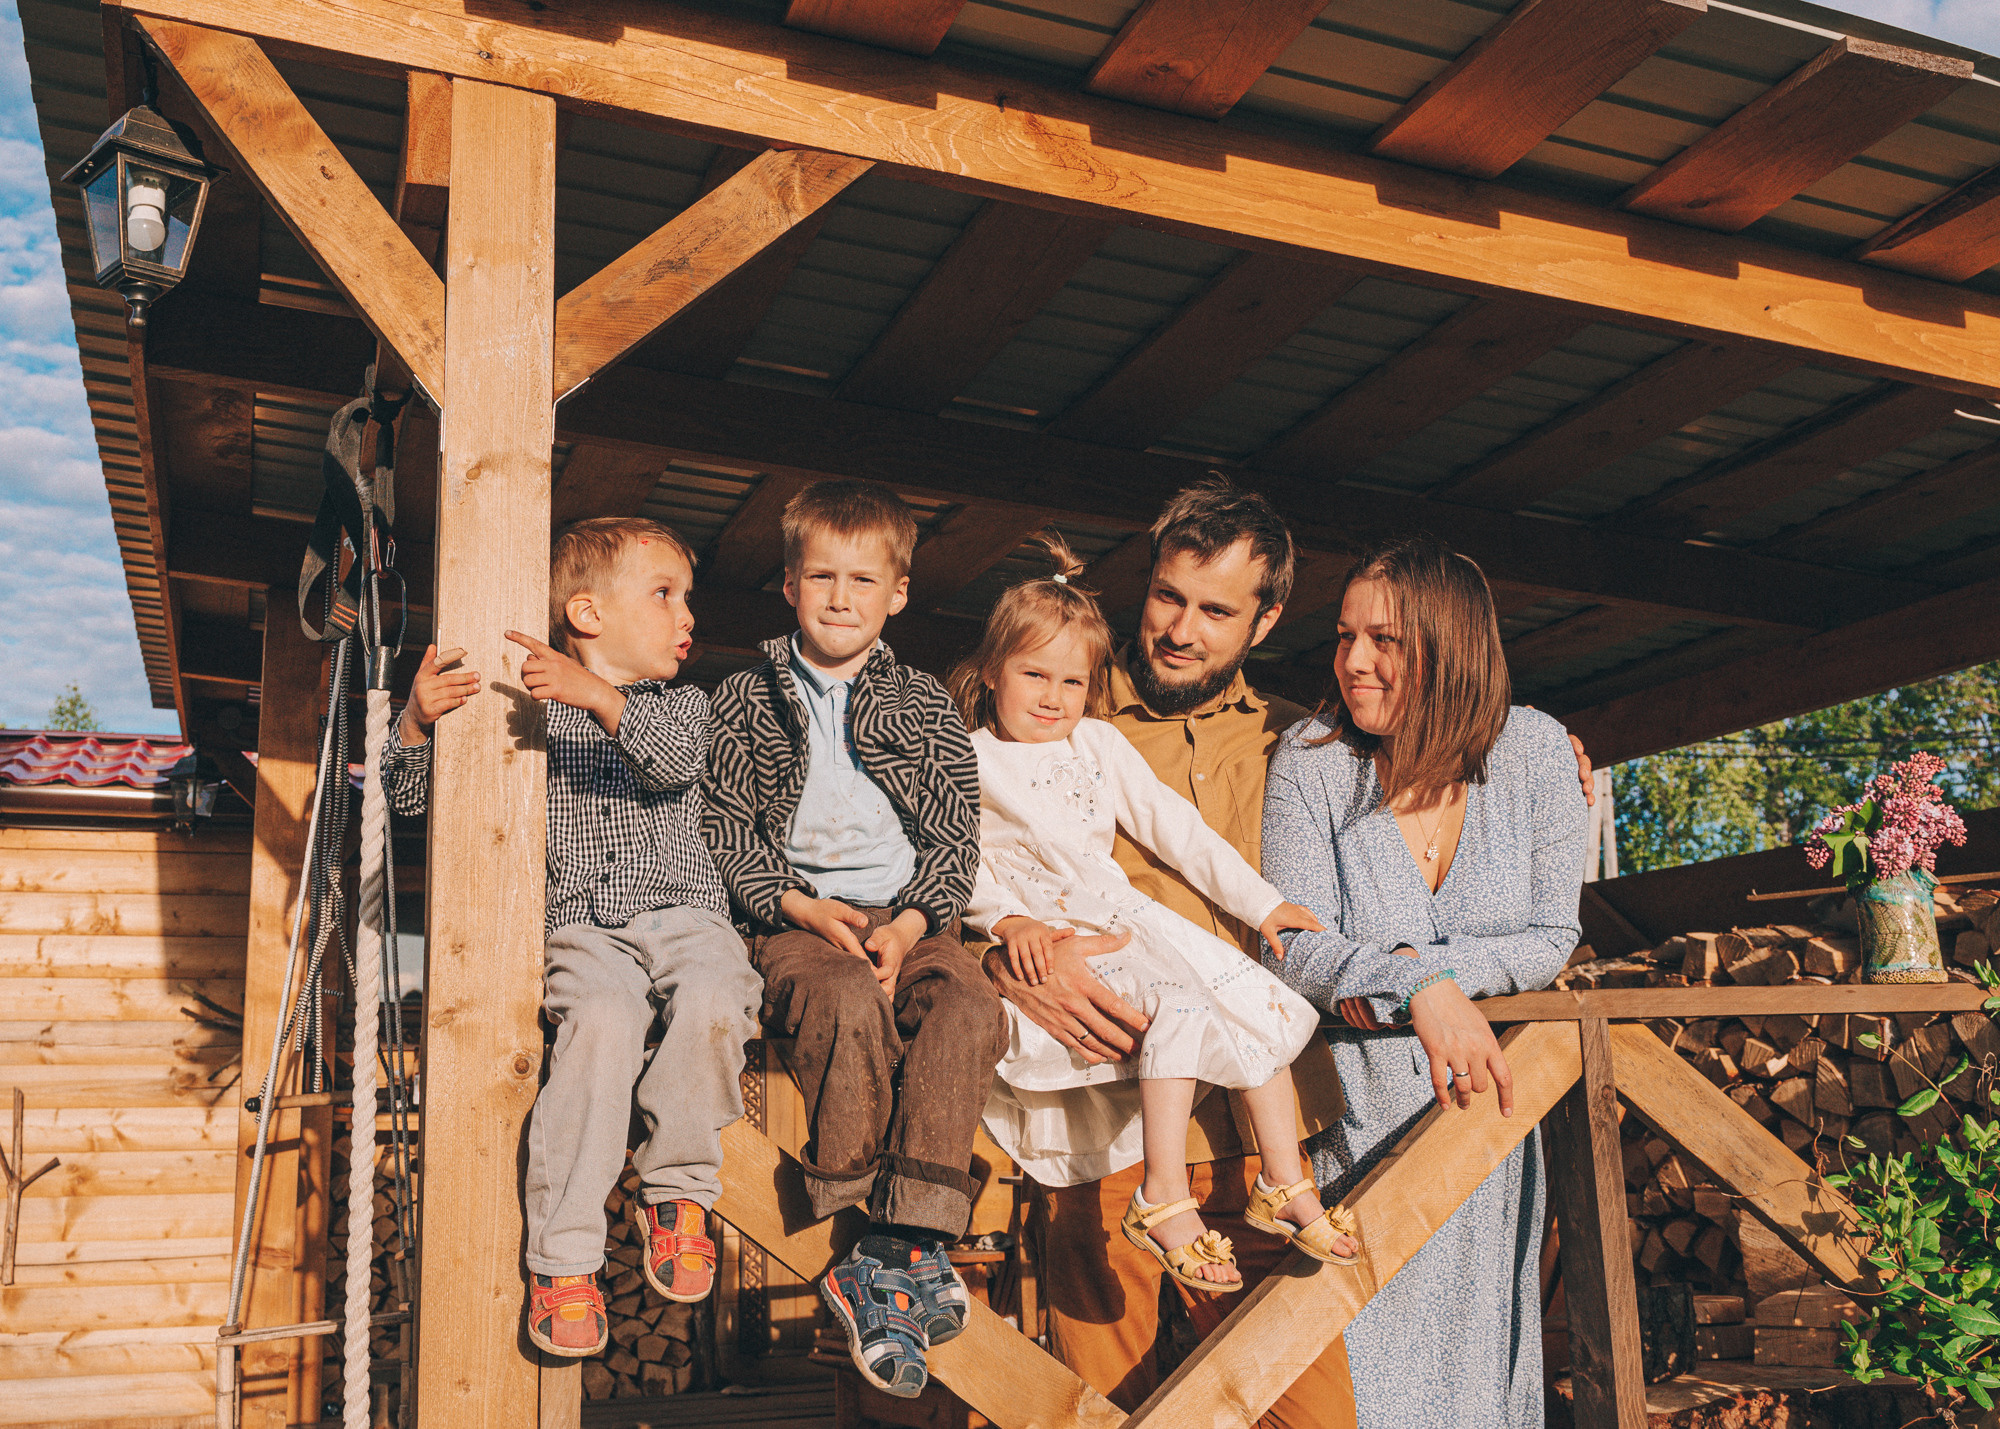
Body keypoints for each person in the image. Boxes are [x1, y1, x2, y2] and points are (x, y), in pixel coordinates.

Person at [980, 476, 1363, 1425]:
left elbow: (1441, 755)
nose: (1181, 628)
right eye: (1168, 595)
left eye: (1216, 609)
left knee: (1313, 1413)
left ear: (1265, 621)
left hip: (1258, 1143)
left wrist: (1544, 750)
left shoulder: (1304, 742)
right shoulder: (1056, 701)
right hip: (1102, 1138)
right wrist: (1002, 951)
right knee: (1111, 1411)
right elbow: (939, 842)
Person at [381, 516, 762, 1358]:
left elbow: (671, 759)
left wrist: (597, 696)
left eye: (686, 597)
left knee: (712, 995)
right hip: (583, 925)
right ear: (586, 613)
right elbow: (411, 803)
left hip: (688, 916)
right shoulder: (524, 715)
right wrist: (414, 722)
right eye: (664, 594)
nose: (686, 614)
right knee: (601, 1020)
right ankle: (564, 1257)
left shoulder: (685, 705)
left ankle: (676, 1192)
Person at [1261, 533, 1589, 1429]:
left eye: (1384, 642)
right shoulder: (1312, 760)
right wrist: (1414, 988)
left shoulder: (1538, 752)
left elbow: (1553, 934)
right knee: (1365, 1372)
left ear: (1449, 648)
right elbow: (1291, 945)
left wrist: (1436, 973)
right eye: (1343, 636)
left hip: (1487, 1110)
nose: (1353, 661)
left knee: (1485, 1368)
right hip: (1354, 1120)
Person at [701, 480, 1007, 1401]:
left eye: (863, 580)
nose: (841, 596)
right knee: (840, 1001)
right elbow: (723, 827)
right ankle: (875, 1224)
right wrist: (794, 908)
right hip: (798, 919)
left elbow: (956, 834)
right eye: (821, 575)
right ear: (788, 583)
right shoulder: (742, 696)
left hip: (913, 916)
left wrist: (913, 920)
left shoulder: (922, 702)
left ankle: (895, 1245)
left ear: (898, 593)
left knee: (968, 1003)